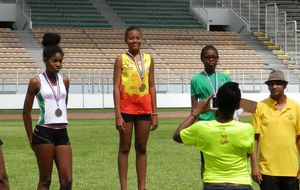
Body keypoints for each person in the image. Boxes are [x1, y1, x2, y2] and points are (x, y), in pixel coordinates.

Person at [173, 82, 254, 190]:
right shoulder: (247, 129)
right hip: (241, 183)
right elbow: (247, 154)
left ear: (217, 103)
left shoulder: (202, 128)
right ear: (238, 105)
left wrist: (196, 112)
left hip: (213, 184)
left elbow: (177, 135)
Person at [22, 33, 72, 190]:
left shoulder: (65, 80)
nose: (58, 64)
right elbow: (25, 112)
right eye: (54, 61)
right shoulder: (36, 82)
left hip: (62, 132)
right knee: (45, 180)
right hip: (43, 133)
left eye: (60, 61)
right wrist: (31, 137)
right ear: (45, 61)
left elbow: (63, 104)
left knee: (67, 180)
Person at [113, 26, 158, 190]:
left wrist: (155, 112)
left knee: (142, 148)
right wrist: (117, 115)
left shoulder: (149, 59)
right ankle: (123, 187)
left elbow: (152, 86)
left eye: (138, 37)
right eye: (131, 38)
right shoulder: (120, 59)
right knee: (124, 147)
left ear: (142, 39)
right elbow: (116, 87)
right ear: (126, 40)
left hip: (145, 110)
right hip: (126, 110)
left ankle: (142, 187)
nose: (135, 40)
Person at [251, 70, 300, 190]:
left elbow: (299, 138)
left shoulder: (295, 107)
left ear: (285, 85)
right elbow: (253, 140)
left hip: (291, 170)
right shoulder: (259, 107)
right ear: (268, 86)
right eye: (271, 84)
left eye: (278, 83)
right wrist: (254, 166)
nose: (274, 86)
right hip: (267, 171)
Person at [190, 45, 232, 178]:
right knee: (205, 159)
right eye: (207, 57)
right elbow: (194, 106)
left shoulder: (225, 78)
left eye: (214, 57)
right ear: (202, 59)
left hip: (223, 123)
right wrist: (195, 124)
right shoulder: (195, 80)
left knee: (224, 157)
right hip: (205, 123)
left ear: (218, 59)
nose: (211, 60)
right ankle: (207, 185)